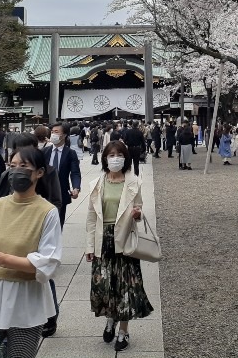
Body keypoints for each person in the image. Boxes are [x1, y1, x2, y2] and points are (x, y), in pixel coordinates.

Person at [0, 146, 62, 357]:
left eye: (23, 166)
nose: (16, 170)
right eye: (12, 166)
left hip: (26, 297)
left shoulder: (47, 212)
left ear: (39, 172)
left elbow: (48, 261)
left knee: (20, 353)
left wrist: (2, 259)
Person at [86, 141, 154, 352]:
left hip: (124, 240)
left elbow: (140, 210)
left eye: (119, 154)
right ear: (105, 158)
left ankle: (123, 330)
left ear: (125, 158)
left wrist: (138, 213)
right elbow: (90, 217)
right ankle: (110, 319)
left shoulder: (134, 182)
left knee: (126, 288)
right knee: (105, 286)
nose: (115, 158)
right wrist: (89, 246)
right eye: (111, 154)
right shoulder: (98, 183)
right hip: (102, 240)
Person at [45, 123, 82, 226]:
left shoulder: (70, 153)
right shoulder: (44, 152)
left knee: (58, 225)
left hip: (61, 194)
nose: (53, 134)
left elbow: (75, 173)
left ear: (64, 135)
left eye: (56, 132)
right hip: (44, 193)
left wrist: (76, 188)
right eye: (52, 132)